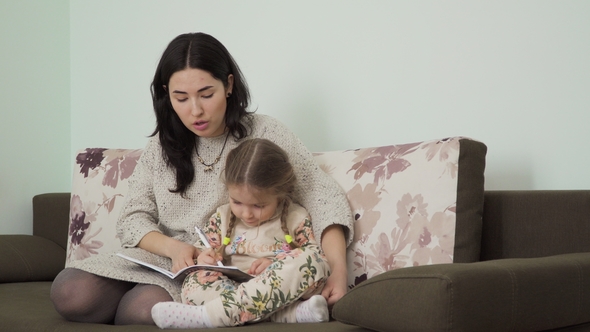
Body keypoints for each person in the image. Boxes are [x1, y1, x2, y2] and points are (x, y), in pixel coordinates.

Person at [50, 32, 353, 326]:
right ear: (166, 94)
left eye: (206, 94)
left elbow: (322, 196)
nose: (195, 110)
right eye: (180, 98)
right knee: (69, 290)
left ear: (229, 85)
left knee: (141, 309)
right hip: (162, 256)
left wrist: (337, 268)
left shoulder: (265, 132)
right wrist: (175, 249)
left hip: (214, 270)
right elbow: (132, 218)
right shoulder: (161, 145)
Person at [151, 138, 331, 329]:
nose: (246, 214)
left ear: (280, 193)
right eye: (237, 202)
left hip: (280, 288)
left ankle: (210, 316)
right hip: (231, 289)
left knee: (312, 261)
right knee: (196, 279)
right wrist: (205, 258)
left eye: (259, 206)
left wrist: (276, 264)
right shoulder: (222, 216)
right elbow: (202, 249)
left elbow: (311, 255)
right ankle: (288, 314)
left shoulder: (296, 217)